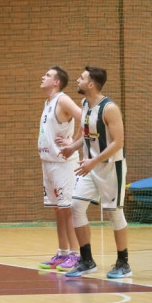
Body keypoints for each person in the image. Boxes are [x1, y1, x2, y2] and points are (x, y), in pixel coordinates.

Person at [59, 66, 131, 279]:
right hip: (90, 166)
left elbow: (119, 142)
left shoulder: (109, 108)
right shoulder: (85, 104)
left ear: (91, 84)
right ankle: (87, 260)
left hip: (110, 167)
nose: (78, 80)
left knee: (114, 213)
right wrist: (73, 146)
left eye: (82, 78)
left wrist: (94, 161)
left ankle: (123, 262)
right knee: (76, 206)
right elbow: (89, 136)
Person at [36, 66, 83, 272]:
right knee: (57, 209)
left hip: (64, 163)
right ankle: (63, 251)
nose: (43, 76)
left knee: (68, 208)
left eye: (47, 75)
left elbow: (84, 117)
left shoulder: (63, 99)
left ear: (56, 82)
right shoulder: (48, 102)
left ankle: (76, 254)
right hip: (48, 161)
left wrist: (74, 141)